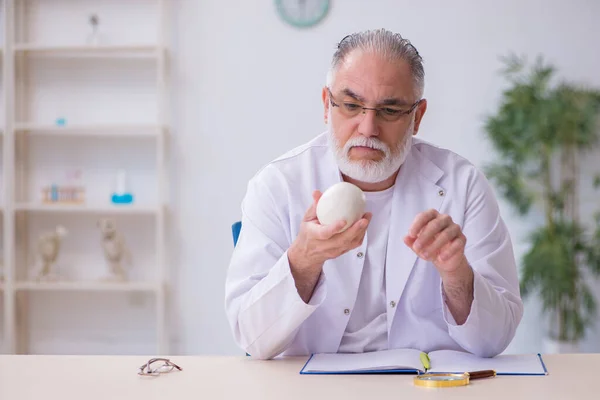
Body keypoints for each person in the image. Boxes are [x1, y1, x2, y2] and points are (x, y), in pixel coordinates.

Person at [225, 29, 523, 360]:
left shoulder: (462, 185)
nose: (368, 128)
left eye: (389, 111)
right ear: (327, 105)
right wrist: (305, 258)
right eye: (351, 106)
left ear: (417, 116)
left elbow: (496, 339)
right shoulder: (278, 185)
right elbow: (252, 338)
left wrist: (456, 274)